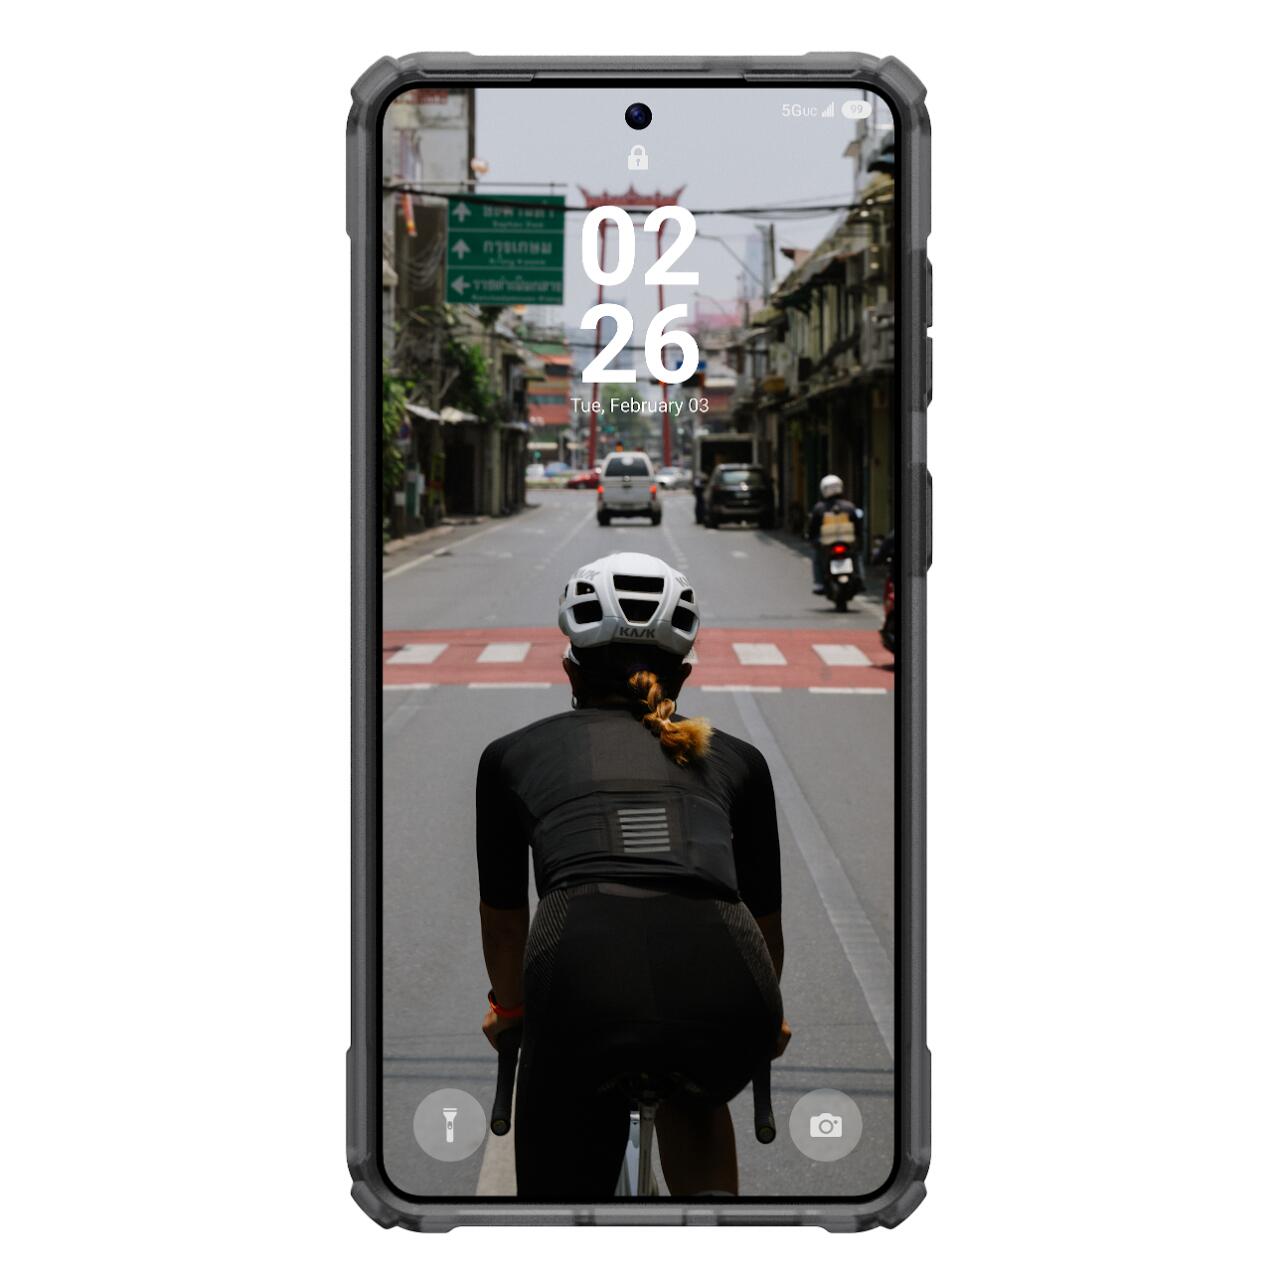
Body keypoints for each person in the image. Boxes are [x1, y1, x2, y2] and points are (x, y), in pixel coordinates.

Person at [475, 551, 791, 1198]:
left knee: (563, 1166)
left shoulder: (510, 756)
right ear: (684, 674)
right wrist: (768, 1017)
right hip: (729, 989)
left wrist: (510, 1010)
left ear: (570, 669)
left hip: (579, 982)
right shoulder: (739, 760)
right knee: (698, 1092)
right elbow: (764, 927)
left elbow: (506, 924)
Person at [807, 474, 865, 595]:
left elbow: (812, 529)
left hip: (827, 544)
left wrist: (812, 540)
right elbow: (858, 527)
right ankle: (860, 579)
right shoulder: (849, 506)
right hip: (847, 542)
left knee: (817, 557)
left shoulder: (819, 508)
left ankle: (819, 583)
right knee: (857, 555)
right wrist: (858, 540)